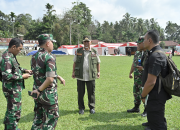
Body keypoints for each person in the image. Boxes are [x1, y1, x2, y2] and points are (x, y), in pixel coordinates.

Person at [30, 34, 65, 130]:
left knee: (38, 119)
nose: (53, 45)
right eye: (52, 43)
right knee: (51, 119)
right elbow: (49, 79)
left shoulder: (34, 56)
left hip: (36, 93)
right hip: (47, 94)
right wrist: (40, 90)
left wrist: (58, 76)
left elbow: (41, 72)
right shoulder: (49, 57)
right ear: (48, 43)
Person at [141, 30, 172, 130]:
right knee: (155, 120)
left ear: (149, 40)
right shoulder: (155, 53)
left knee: (158, 125)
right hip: (155, 94)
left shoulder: (156, 55)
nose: (143, 42)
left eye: (144, 39)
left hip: (156, 95)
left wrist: (143, 95)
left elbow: (151, 82)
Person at [1, 38, 32, 130]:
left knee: (12, 109)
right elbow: (6, 75)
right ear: (14, 47)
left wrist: (25, 70)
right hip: (11, 89)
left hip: (14, 88)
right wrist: (22, 76)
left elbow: (15, 68)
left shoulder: (11, 55)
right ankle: (12, 127)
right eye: (20, 49)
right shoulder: (6, 57)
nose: (20, 51)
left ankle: (9, 127)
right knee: (13, 110)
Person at [72, 36, 101, 114]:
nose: (86, 43)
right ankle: (81, 108)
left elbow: (98, 63)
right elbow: (74, 62)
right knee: (80, 93)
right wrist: (73, 72)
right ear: (83, 42)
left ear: (90, 42)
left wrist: (98, 72)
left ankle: (92, 107)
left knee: (91, 92)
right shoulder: (78, 51)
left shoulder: (94, 51)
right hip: (81, 75)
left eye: (88, 42)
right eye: (85, 42)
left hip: (91, 75)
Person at [127, 36, 144, 114]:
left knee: (144, 93)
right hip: (137, 77)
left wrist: (143, 68)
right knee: (136, 92)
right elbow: (133, 63)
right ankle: (136, 107)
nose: (137, 45)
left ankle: (146, 110)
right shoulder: (137, 53)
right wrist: (131, 72)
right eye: (137, 44)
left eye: (139, 44)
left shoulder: (148, 53)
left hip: (144, 78)